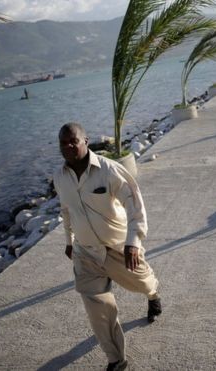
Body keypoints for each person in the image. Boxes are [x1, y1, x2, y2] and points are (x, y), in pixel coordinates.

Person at [53, 122, 162, 371]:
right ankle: (116, 359)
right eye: (63, 143)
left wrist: (133, 243)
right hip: (85, 253)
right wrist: (69, 241)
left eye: (73, 141)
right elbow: (66, 210)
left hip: (117, 247)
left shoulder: (109, 170)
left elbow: (134, 204)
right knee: (99, 309)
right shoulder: (59, 177)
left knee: (143, 282)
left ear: (86, 141)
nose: (68, 146)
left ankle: (154, 294)